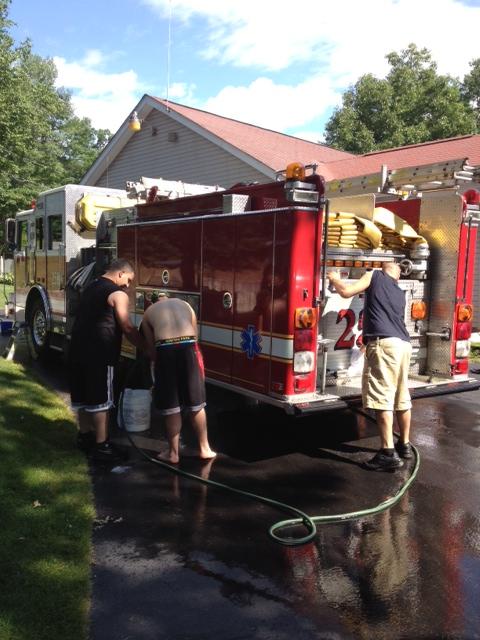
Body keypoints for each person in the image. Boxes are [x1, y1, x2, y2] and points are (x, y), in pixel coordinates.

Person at [327, 262, 412, 471]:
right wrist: (367, 341)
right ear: (398, 276)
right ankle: (405, 445)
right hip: (403, 345)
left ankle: (387, 453)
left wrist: (334, 278)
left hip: (385, 346)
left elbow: (346, 292)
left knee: (383, 398)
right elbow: (386, 318)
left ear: (383, 269)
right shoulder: (399, 293)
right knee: (401, 397)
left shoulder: (374, 275)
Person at [69, 258, 147, 462]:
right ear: (120, 273)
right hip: (100, 354)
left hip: (77, 350)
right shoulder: (117, 294)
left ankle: (84, 437)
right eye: (128, 280)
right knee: (101, 401)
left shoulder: (91, 286)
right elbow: (127, 327)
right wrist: (147, 347)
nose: (128, 286)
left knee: (83, 398)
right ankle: (102, 446)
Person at [141, 294, 216, 464]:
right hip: (189, 347)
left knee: (172, 406)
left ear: (155, 301)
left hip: (165, 349)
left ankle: (173, 453)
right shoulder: (186, 305)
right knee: (197, 403)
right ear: (168, 298)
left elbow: (152, 349)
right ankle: (205, 448)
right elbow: (196, 338)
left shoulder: (149, 312)